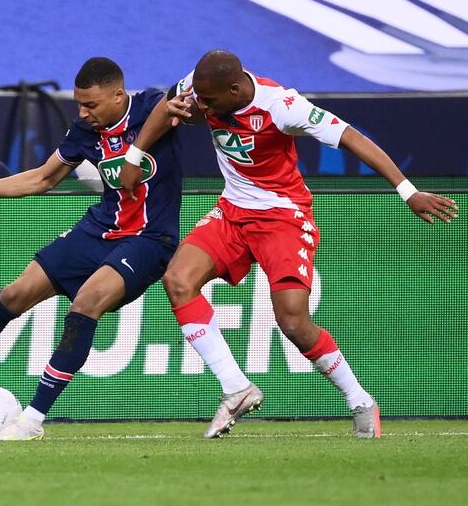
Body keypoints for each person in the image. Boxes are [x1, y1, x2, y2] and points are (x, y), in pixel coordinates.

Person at [119, 49, 459, 439]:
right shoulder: (202, 85)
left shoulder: (283, 106)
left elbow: (352, 138)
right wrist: (134, 153)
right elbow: (168, 107)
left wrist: (407, 191)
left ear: (234, 88)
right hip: (232, 211)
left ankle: (360, 400)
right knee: (178, 280)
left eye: (209, 101)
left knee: (293, 321)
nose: (200, 107)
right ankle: (236, 388)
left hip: (282, 217)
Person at [0, 57, 183, 440]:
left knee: (87, 302)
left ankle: (31, 420)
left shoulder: (154, 108)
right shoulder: (84, 130)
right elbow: (43, 178)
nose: (82, 112)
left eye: (90, 105)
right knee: (15, 293)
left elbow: (196, 92)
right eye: (79, 103)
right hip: (99, 228)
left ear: (118, 95)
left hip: (150, 238)